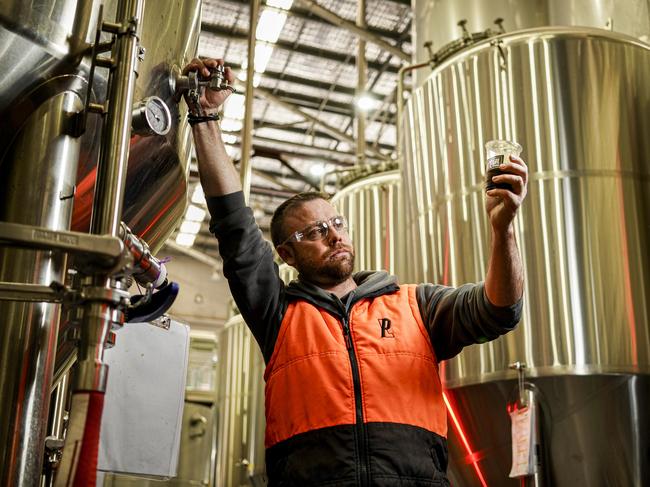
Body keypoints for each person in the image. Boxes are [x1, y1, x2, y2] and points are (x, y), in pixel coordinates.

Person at [184, 57, 528, 487]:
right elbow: (233, 225)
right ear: (287, 255)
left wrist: (503, 230)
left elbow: (499, 311)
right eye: (314, 232)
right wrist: (205, 118)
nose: (333, 236)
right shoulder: (277, 314)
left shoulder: (415, 305)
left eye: (337, 224)